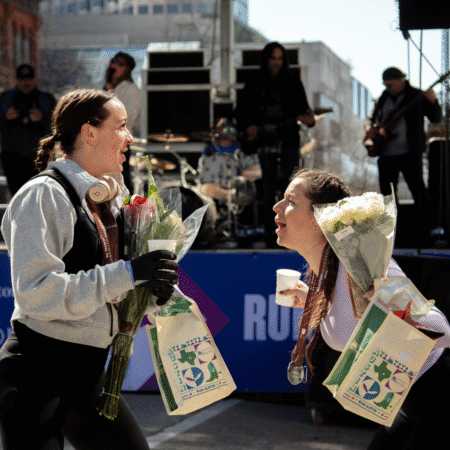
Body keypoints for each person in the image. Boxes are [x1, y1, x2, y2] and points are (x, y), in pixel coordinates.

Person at [0, 89, 179, 450]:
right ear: (89, 133)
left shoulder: (112, 200)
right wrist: (130, 273)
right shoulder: (44, 194)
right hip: (36, 371)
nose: (130, 138)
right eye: (122, 126)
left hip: (86, 373)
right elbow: (37, 293)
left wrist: (150, 292)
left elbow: (112, 295)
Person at [274, 168, 450, 448]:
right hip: (405, 406)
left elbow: (443, 331)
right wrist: (312, 300)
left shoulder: (362, 264)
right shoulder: (325, 277)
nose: (277, 207)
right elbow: (356, 318)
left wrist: (395, 301)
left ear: (320, 219)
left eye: (291, 201)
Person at [234, 42, 315, 245]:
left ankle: (293, 232)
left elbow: (306, 113)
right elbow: (240, 112)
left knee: (291, 187)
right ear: (266, 59)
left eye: (280, 59)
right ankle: (271, 233)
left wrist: (309, 119)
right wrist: (248, 128)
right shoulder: (254, 83)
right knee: (267, 189)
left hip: (288, 140)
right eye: (273, 58)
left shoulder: (293, 83)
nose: (276, 62)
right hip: (263, 141)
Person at [364, 67, 442, 241]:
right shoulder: (383, 98)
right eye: (385, 85)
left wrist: (433, 101)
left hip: (410, 153)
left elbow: (436, 118)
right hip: (386, 155)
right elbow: (372, 118)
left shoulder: (417, 95)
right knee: (388, 197)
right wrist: (368, 127)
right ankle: (392, 234)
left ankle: (427, 232)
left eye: (390, 85)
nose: (388, 88)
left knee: (419, 192)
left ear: (401, 80)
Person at [0, 63, 57, 196]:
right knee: (18, 195)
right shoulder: (5, 98)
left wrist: (42, 118)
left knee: (39, 195)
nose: (26, 83)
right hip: (12, 157)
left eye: (29, 79)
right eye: (22, 80)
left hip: (40, 156)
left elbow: (58, 124)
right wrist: (6, 118)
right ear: (17, 80)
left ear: (34, 79)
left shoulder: (46, 99)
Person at [104, 52, 141, 193]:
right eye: (114, 61)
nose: (114, 65)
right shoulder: (104, 86)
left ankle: (125, 213)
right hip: (103, 142)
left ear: (128, 69)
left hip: (120, 144)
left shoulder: (132, 90)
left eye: (120, 63)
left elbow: (129, 117)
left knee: (122, 184)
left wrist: (112, 96)